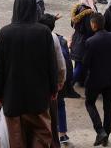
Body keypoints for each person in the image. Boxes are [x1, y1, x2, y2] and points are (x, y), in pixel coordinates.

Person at [0, 0, 58, 147]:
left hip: (12, 98)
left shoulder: (5, 33)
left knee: (16, 139)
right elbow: (51, 64)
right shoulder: (43, 32)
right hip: (38, 98)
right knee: (41, 136)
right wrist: (53, 88)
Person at [83, 13, 111, 147]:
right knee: (108, 107)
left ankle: (100, 130)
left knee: (89, 103)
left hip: (95, 79)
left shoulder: (90, 41)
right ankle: (106, 135)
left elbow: (85, 63)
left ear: (93, 25)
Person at [38, 13, 66, 148]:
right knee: (52, 118)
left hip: (31, 87)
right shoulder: (53, 37)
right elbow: (61, 64)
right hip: (50, 85)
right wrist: (60, 82)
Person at [70, 0, 97, 86]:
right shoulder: (89, 12)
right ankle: (70, 84)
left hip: (76, 39)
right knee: (81, 64)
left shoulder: (77, 8)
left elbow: (72, 24)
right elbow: (90, 29)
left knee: (78, 62)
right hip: (84, 41)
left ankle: (79, 80)